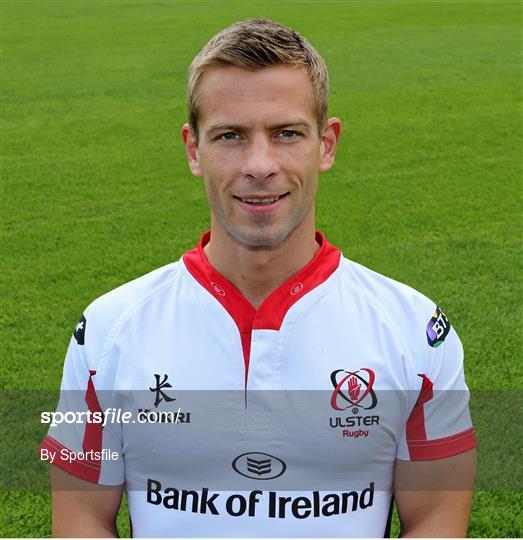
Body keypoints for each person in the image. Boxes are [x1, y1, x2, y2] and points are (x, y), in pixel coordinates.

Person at [39, 18, 477, 537]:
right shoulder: (106, 330)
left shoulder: (417, 330)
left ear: (327, 143)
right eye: (230, 136)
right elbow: (81, 519)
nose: (259, 164)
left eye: (287, 133)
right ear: (192, 149)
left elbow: (436, 522)